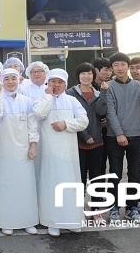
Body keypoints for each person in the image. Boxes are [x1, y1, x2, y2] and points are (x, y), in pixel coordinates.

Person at [33, 68, 89, 237]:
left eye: (60, 82)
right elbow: (38, 114)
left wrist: (66, 124)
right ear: (47, 83)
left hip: (68, 152)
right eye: (52, 81)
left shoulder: (72, 101)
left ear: (66, 84)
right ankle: (52, 222)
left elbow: (83, 121)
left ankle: (72, 219)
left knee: (69, 185)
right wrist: (48, 96)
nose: (56, 85)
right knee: (50, 184)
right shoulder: (41, 100)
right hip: (48, 151)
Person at [105, 53, 140, 222]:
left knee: (135, 174)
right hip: (115, 137)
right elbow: (110, 112)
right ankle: (114, 208)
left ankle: (132, 208)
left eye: (123, 65)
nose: (120, 68)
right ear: (112, 68)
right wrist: (119, 133)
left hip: (137, 137)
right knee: (115, 174)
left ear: (128, 67)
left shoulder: (139, 85)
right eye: (116, 65)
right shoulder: (109, 86)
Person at [0, 69, 39, 235]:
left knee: (25, 185)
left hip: (24, 149)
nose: (10, 82)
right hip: (4, 149)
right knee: (6, 185)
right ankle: (7, 220)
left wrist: (33, 145)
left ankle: (27, 220)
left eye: (14, 79)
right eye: (7, 79)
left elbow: (32, 125)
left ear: (19, 80)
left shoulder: (27, 101)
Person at [66, 63, 108, 224]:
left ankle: (96, 211)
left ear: (93, 75)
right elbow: (71, 117)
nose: (86, 77)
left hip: (97, 142)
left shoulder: (98, 93)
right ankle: (78, 211)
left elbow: (101, 112)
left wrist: (103, 92)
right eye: (83, 74)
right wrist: (84, 135)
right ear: (78, 76)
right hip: (77, 142)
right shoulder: (70, 94)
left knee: (96, 177)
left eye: (89, 74)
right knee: (79, 178)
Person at [92, 57, 112, 176]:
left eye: (110, 70)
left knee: (105, 164)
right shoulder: (87, 86)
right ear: (96, 70)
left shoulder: (110, 86)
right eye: (106, 70)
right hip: (92, 132)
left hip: (108, 131)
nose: (109, 73)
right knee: (96, 165)